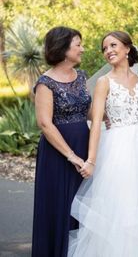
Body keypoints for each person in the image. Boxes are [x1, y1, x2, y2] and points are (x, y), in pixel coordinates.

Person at [67, 31, 138, 257]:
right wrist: (91, 160)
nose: (109, 51)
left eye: (113, 45)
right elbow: (96, 123)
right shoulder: (103, 82)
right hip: (117, 152)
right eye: (105, 48)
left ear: (128, 48)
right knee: (120, 206)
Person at [32, 26, 91, 257]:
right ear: (64, 48)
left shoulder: (82, 76)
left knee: (83, 205)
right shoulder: (45, 83)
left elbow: (87, 111)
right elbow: (45, 124)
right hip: (58, 154)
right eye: (78, 45)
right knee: (59, 207)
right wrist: (71, 156)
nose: (82, 49)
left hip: (84, 147)